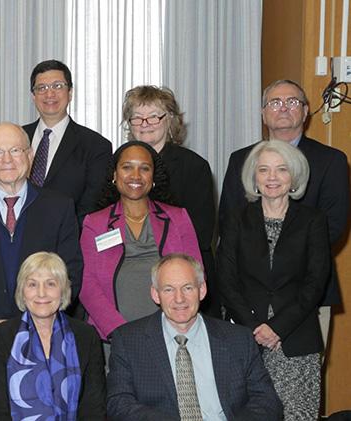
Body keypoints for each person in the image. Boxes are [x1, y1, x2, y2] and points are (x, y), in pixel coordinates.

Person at [219, 79, 348, 347]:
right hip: (247, 299)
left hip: (307, 295)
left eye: (292, 102)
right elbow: (228, 222)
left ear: (305, 110)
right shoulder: (240, 159)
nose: (283, 108)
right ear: (263, 113)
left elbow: (332, 227)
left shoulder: (331, 160)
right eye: (275, 102)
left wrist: (281, 267)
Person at [0, 122, 82, 368]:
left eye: (16, 150)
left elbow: (70, 272)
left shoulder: (59, 207)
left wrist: (34, 323)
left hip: (45, 337)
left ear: (29, 156)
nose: (7, 159)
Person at [217, 140, 328, 420]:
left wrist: (277, 327)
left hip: (296, 339)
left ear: (294, 176)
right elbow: (226, 279)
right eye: (264, 170)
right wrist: (255, 328)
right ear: (254, 177)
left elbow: (315, 282)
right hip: (245, 338)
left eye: (281, 170)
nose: (272, 177)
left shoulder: (312, 220)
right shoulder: (236, 219)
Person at [106, 253, 282, 420]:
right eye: (168, 289)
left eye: (187, 288)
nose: (179, 298)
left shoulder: (238, 339)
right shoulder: (128, 340)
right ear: (155, 294)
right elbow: (118, 402)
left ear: (202, 290)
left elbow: (267, 401)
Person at [79, 141, 201, 340]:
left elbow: (196, 276)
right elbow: (87, 285)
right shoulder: (95, 223)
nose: (135, 176)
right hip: (114, 337)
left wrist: (174, 325)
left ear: (153, 177)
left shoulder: (178, 218)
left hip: (171, 333)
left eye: (144, 168)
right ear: (114, 175)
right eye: (127, 167)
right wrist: (120, 331)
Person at [121, 85, 217, 312]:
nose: (145, 124)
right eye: (137, 118)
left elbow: (201, 233)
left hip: (182, 281)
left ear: (170, 121)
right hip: (130, 279)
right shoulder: (118, 166)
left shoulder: (194, 167)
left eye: (153, 117)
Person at [0, 252, 105, 420]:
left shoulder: (86, 336)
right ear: (22, 291)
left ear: (63, 291)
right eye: (32, 284)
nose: (41, 293)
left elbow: (93, 409)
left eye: (51, 284)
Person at [22, 59, 112, 217]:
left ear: (70, 93)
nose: (49, 94)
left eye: (57, 86)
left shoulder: (96, 146)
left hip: (70, 237)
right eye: (41, 88)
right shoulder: (17, 138)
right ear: (33, 96)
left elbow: (92, 205)